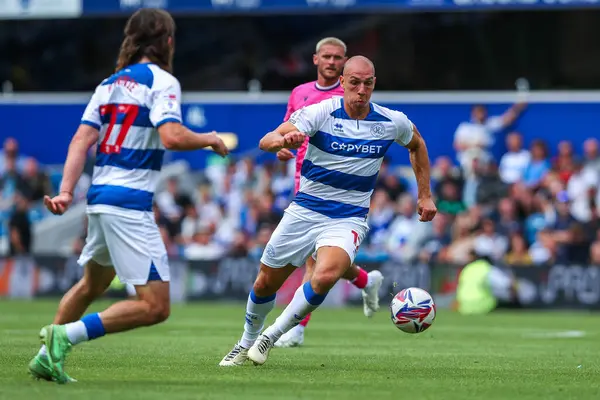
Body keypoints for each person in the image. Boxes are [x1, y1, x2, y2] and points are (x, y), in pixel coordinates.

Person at [28, 8, 229, 384]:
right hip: (129, 203)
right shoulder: (163, 81)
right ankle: (63, 336)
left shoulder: (108, 84)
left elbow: (81, 140)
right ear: (167, 42)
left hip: (100, 198)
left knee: (92, 285)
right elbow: (171, 135)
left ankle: (45, 358)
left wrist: (66, 191)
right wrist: (209, 138)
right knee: (155, 307)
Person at [219, 56, 436, 367]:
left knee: (325, 275)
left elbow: (417, 145)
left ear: (374, 84)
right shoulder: (321, 112)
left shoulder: (392, 121)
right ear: (344, 83)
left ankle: (271, 337)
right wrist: (285, 139)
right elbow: (267, 140)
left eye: (368, 83)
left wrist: (425, 195)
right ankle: (245, 342)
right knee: (265, 283)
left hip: (348, 216)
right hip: (305, 210)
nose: (362, 90)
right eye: (355, 83)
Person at [274, 37, 384, 348]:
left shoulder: (352, 93)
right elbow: (286, 130)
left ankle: (296, 327)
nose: (332, 62)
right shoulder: (300, 93)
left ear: (345, 62)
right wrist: (283, 148)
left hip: (339, 186)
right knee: (324, 259)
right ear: (315, 59)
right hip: (303, 183)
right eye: (327, 56)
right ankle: (366, 280)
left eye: (338, 57)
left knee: (315, 260)